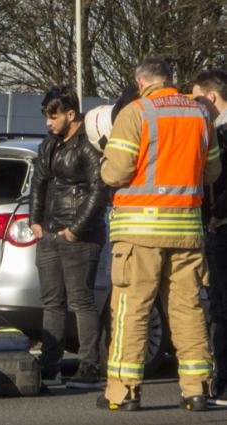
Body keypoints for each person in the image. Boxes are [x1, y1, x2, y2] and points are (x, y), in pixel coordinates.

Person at [99, 58, 221, 412]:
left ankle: (124, 393)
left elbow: (117, 172)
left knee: (131, 309)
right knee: (189, 309)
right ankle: (196, 389)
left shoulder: (136, 113)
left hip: (139, 232)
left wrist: (106, 159)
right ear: (172, 79)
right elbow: (212, 172)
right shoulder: (200, 116)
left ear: (140, 83)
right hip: (186, 229)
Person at [29, 86, 107, 389]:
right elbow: (39, 182)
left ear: (70, 114)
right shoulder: (49, 144)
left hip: (80, 236)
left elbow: (99, 190)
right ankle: (50, 367)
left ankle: (89, 367)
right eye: (47, 117)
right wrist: (34, 220)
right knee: (52, 302)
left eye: (53, 116)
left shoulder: (88, 145)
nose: (48, 122)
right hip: (49, 232)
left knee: (81, 300)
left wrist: (75, 229)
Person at [191, 69, 227, 406]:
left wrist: (216, 214)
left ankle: (223, 383)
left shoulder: (220, 132)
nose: (194, 106)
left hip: (222, 227)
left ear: (211, 97)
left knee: (221, 308)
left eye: (197, 98)